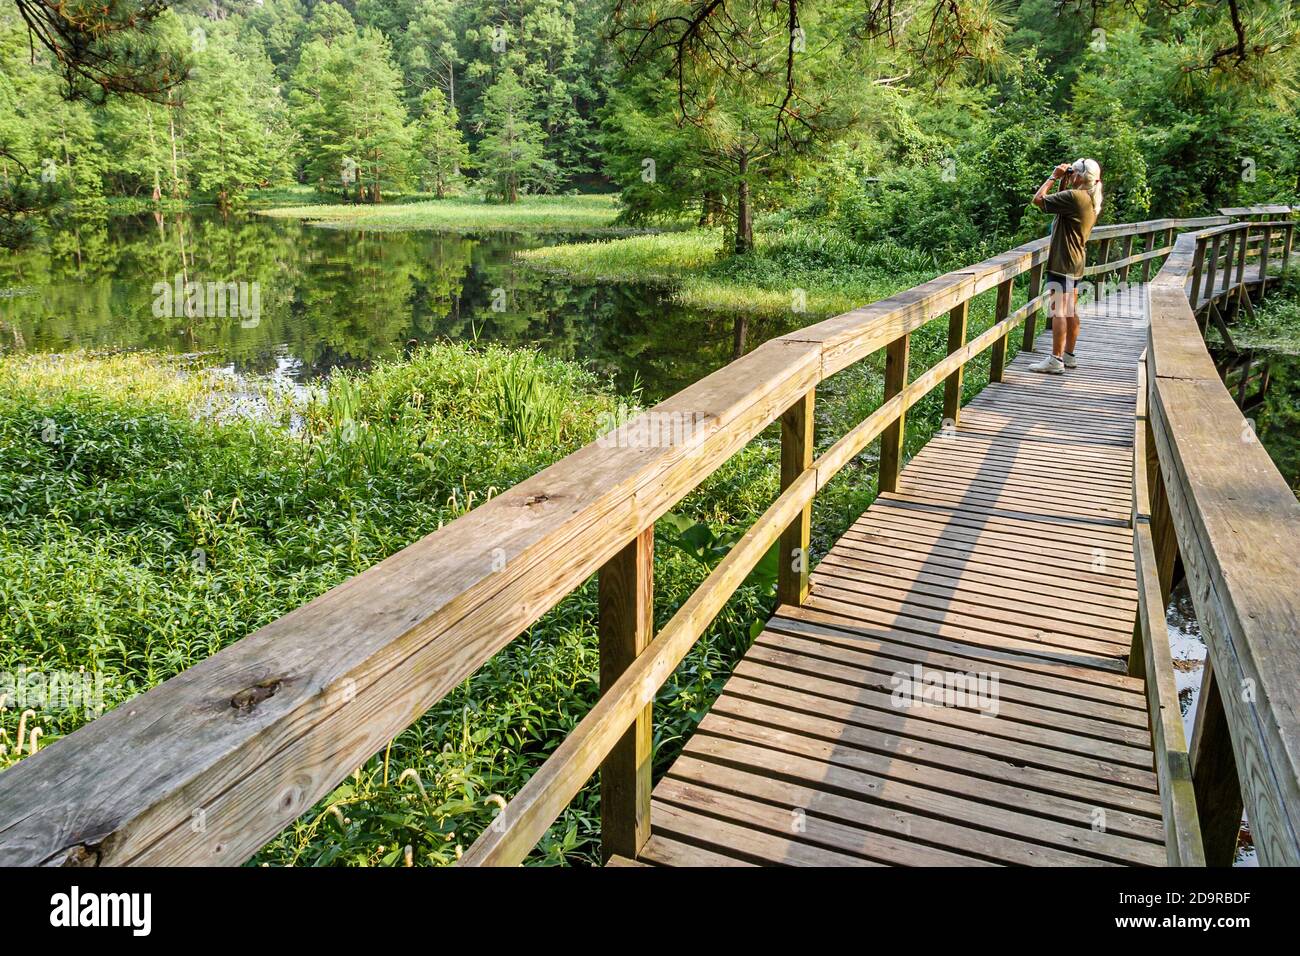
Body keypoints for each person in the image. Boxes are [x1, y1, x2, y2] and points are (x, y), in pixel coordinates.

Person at [1029, 158, 1103, 374]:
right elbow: (1058, 206)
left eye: (1074, 172)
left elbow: (1039, 200)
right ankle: (1069, 355)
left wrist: (1054, 176)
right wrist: (1066, 181)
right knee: (1070, 310)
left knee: (1058, 310)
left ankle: (1056, 359)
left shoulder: (1075, 197)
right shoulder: (1088, 198)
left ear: (1079, 176)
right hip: (1076, 262)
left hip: (1063, 261)